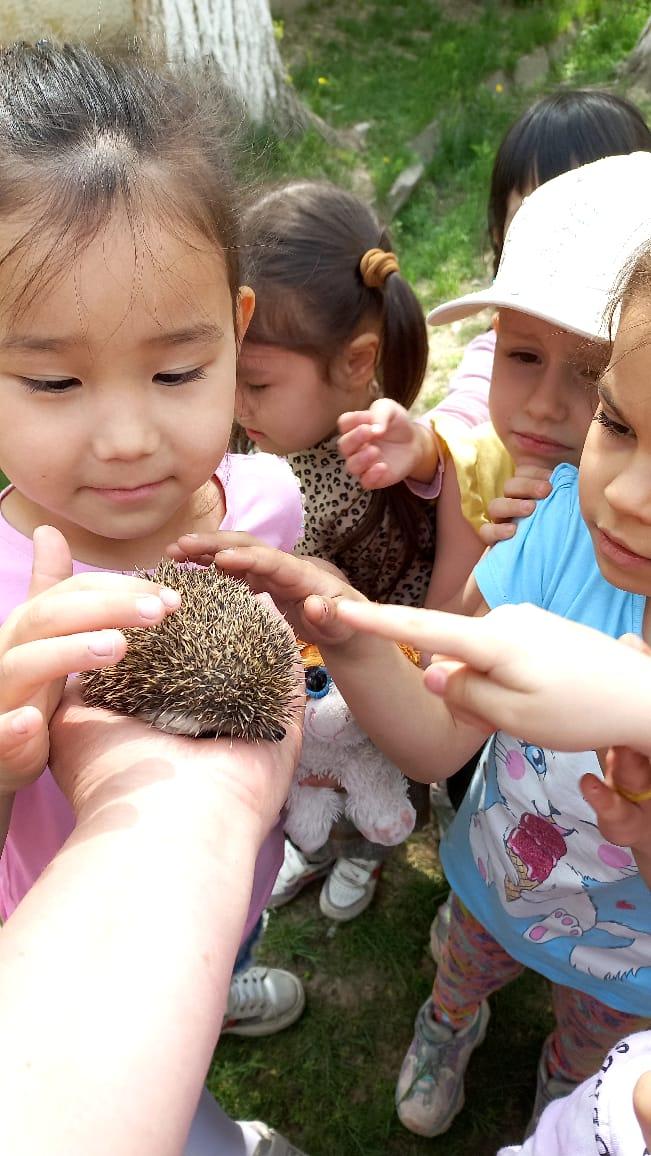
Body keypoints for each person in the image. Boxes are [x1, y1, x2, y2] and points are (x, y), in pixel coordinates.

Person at [172, 154, 651, 1142]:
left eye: (591, 385)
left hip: (631, 958)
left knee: (588, 1047)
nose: (629, 491)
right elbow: (435, 741)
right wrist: (346, 627)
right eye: (621, 422)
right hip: (492, 878)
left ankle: (572, 1094)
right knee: (464, 964)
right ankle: (449, 1021)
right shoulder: (553, 525)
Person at [0, 40, 306, 1155]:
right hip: (45, 967)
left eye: (178, 372)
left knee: (212, 950)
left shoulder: (265, 501)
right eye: (52, 380)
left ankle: (222, 974)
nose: (130, 439)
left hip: (238, 866)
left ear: (236, 327)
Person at [234, 179, 489, 921]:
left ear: (356, 362)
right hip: (313, 686)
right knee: (319, 787)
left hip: (390, 685)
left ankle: (367, 859)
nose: (235, 406)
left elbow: (464, 469)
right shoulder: (271, 447)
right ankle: (323, 848)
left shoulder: (389, 460)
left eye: (255, 383)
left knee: (382, 791)